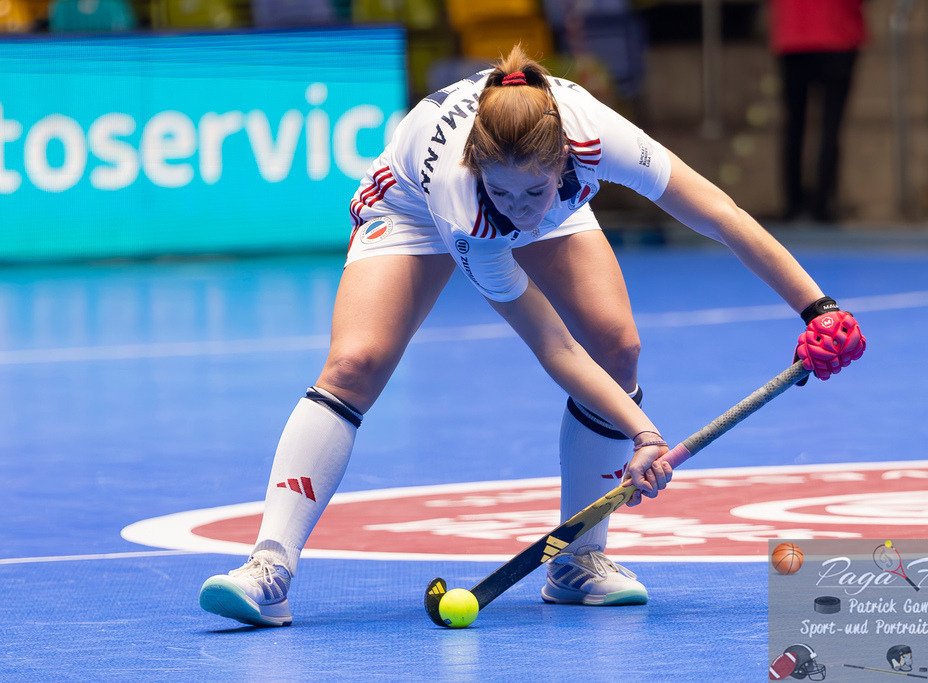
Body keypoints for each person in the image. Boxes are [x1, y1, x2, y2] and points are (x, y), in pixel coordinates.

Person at [198, 44, 866, 627]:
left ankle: (578, 562)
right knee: (356, 362)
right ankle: (269, 569)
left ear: (564, 163)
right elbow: (553, 346)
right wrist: (644, 432)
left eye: (533, 192)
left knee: (620, 346)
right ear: (481, 170)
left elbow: (719, 212)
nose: (520, 210)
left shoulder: (590, 137)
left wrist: (817, 307)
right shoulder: (470, 204)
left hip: (552, 203)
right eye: (508, 194)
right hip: (408, 208)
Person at [769, 0, 867, 223]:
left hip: (795, 31)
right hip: (837, 30)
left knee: (794, 126)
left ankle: (794, 204)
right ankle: (822, 205)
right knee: (829, 127)